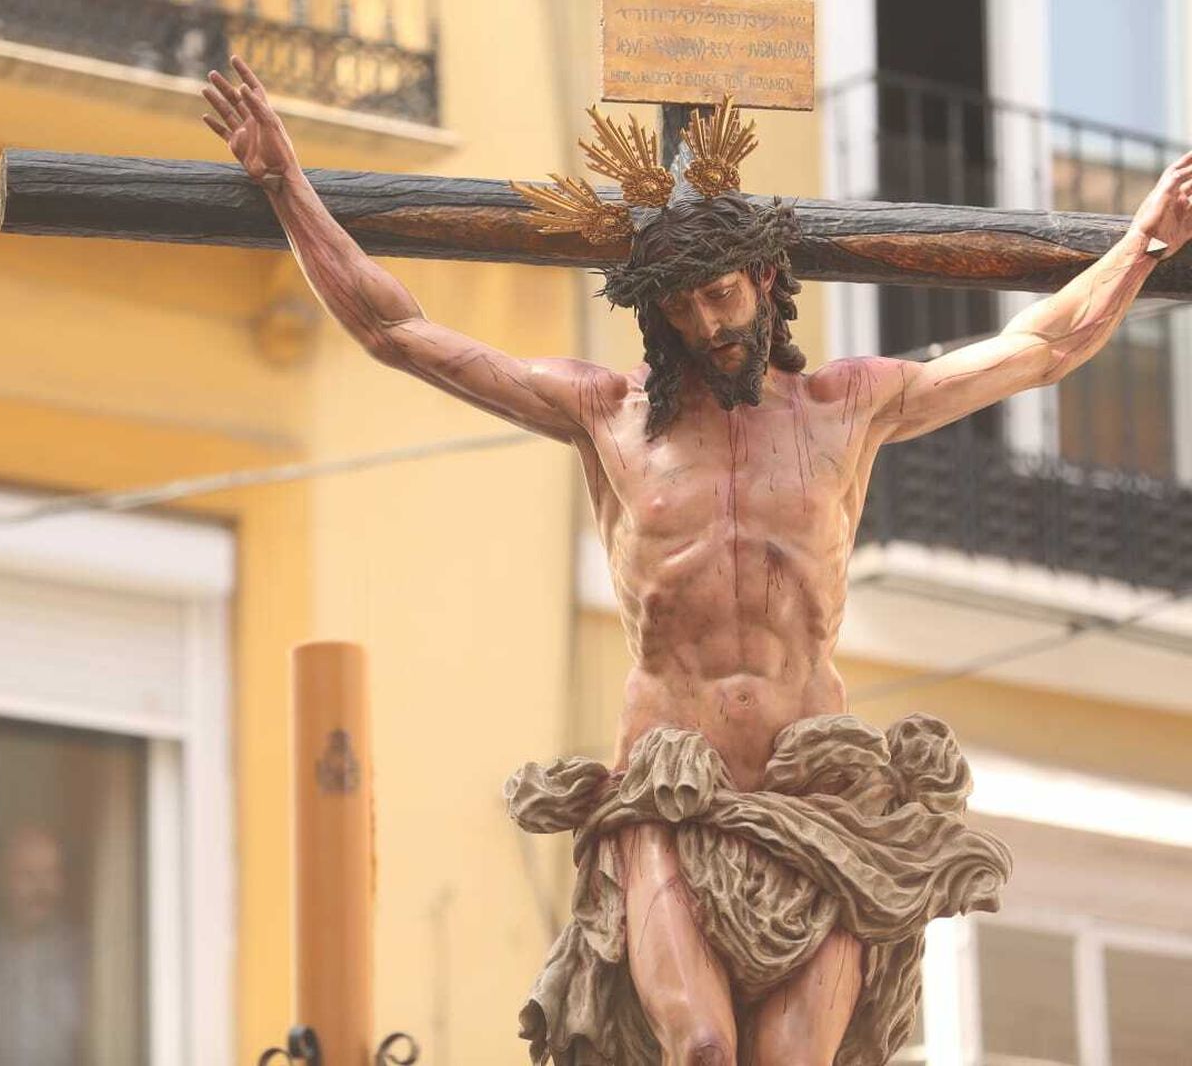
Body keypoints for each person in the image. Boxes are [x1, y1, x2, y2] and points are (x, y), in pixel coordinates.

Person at [200, 58, 1192, 1065]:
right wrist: (287, 182)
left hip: (816, 794)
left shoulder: (850, 406)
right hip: (667, 791)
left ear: (765, 280)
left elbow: (1040, 346)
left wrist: (1142, 241)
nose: (706, 325)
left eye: (719, 295)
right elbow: (396, 329)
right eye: (679, 307)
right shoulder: (603, 414)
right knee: (702, 1048)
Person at [0, 822, 88, 1066]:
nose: (41, 888)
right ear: (2, 879)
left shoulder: (85, 953)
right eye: (27, 875)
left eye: (51, 874)